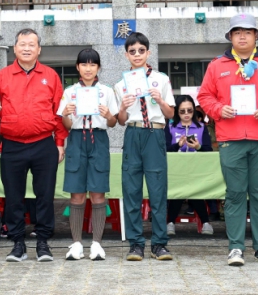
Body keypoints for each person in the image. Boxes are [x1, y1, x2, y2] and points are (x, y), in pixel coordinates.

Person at [198, 13, 258, 267]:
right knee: (235, 194)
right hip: (231, 138)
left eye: (247, 32)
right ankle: (236, 248)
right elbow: (204, 97)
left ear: (256, 36)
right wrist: (219, 110)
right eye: (237, 32)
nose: (242, 36)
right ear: (230, 36)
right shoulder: (216, 66)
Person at [0, 28, 66, 262]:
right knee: (13, 196)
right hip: (12, 145)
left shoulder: (50, 76)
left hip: (43, 144)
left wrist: (59, 142)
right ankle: (18, 243)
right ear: (15, 48)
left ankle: (43, 243)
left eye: (32, 44)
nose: (27, 48)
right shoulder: (2, 76)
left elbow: (59, 112)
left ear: (39, 49)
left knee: (45, 195)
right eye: (22, 44)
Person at [115, 32, 175, 261]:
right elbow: (120, 121)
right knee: (131, 190)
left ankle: (159, 243)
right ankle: (136, 244)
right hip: (133, 133)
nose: (137, 55)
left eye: (141, 50)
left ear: (148, 52)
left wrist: (160, 100)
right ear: (126, 54)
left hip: (155, 133)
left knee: (158, 191)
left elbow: (170, 114)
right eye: (132, 51)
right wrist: (122, 107)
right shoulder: (121, 84)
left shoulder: (161, 79)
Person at [56, 48, 118, 261]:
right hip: (76, 140)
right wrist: (65, 114)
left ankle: (97, 244)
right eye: (84, 64)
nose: (88, 68)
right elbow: (65, 124)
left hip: (98, 139)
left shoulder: (107, 91)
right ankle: (76, 244)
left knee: (98, 192)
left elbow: (112, 122)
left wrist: (108, 114)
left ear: (98, 67)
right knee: (77, 193)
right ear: (78, 67)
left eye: (93, 64)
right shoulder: (70, 91)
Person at [165, 95, 214, 237]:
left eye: (190, 111)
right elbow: (164, 149)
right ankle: (172, 222)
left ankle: (202, 222)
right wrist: (177, 146)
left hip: (196, 170)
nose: (186, 114)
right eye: (182, 111)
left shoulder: (201, 127)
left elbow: (208, 151)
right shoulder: (170, 127)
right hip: (175, 170)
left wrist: (198, 147)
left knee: (193, 189)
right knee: (180, 189)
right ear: (176, 112)